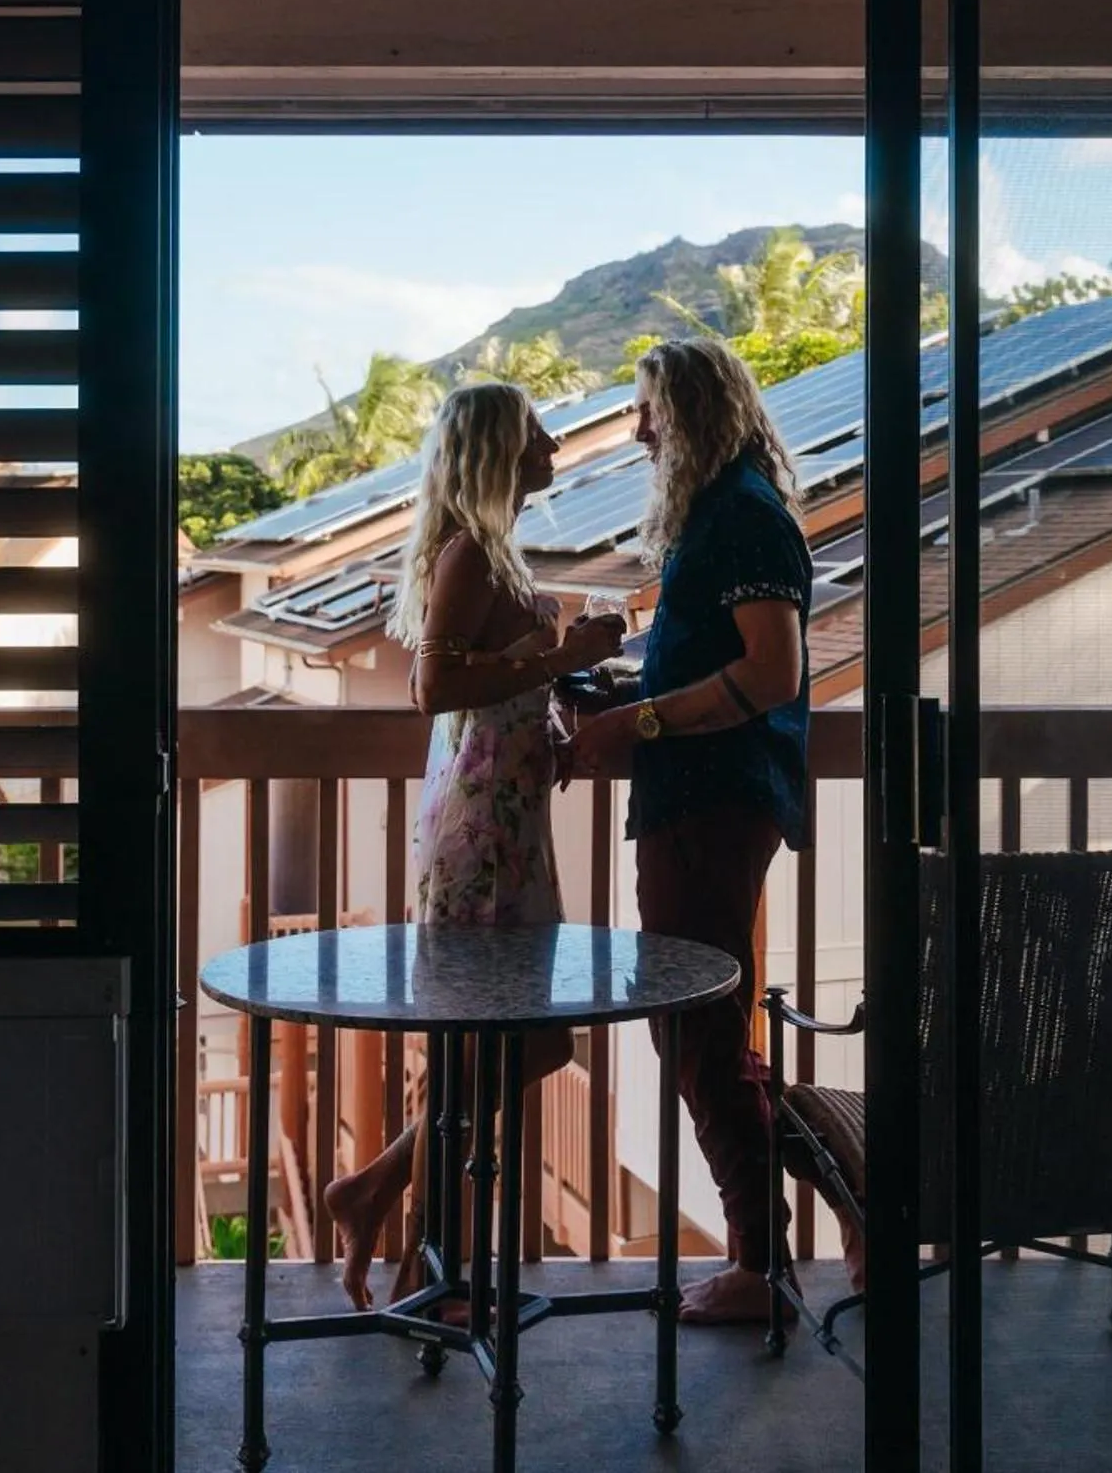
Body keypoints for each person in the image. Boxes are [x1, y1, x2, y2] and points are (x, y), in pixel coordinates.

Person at [322, 381, 625, 1311]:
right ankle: (424, 1254)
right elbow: (433, 685)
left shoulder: (495, 550)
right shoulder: (467, 553)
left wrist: (556, 711)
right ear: (500, 448)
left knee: (521, 1047)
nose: (555, 440)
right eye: (537, 430)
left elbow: (492, 688)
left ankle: (381, 1198)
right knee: (501, 1047)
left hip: (510, 820)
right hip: (480, 833)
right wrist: (562, 660)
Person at [566, 337, 812, 1325]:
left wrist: (643, 722)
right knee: (702, 1031)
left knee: (700, 1032)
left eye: (649, 411)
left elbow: (771, 674)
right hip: (691, 803)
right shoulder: (722, 517)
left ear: (693, 414)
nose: (636, 430)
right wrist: (625, 695)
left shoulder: (747, 520)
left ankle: (760, 1266)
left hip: (712, 805)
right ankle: (821, 1220)